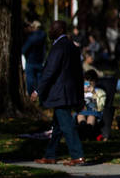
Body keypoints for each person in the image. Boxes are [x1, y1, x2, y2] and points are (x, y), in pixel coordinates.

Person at [33, 20, 86, 166]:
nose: (50, 30)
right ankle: (50, 155)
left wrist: (38, 90)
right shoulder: (72, 47)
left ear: (60, 30)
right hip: (69, 92)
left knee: (67, 125)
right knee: (57, 126)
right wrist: (79, 96)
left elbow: (50, 71)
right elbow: (78, 74)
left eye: (52, 28)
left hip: (60, 93)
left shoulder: (58, 48)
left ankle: (78, 155)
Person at [76, 69, 106, 140]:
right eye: (87, 81)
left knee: (91, 116)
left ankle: (89, 129)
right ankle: (82, 127)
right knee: (80, 115)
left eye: (91, 81)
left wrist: (94, 93)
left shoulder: (100, 91)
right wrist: (81, 93)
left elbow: (101, 105)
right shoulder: (81, 91)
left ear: (95, 82)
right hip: (82, 109)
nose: (89, 83)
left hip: (94, 110)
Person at [22, 20, 46, 95]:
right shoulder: (43, 35)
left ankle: (31, 95)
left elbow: (24, 49)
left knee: (30, 80)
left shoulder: (31, 38)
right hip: (40, 60)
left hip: (31, 61)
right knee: (39, 79)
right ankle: (40, 95)